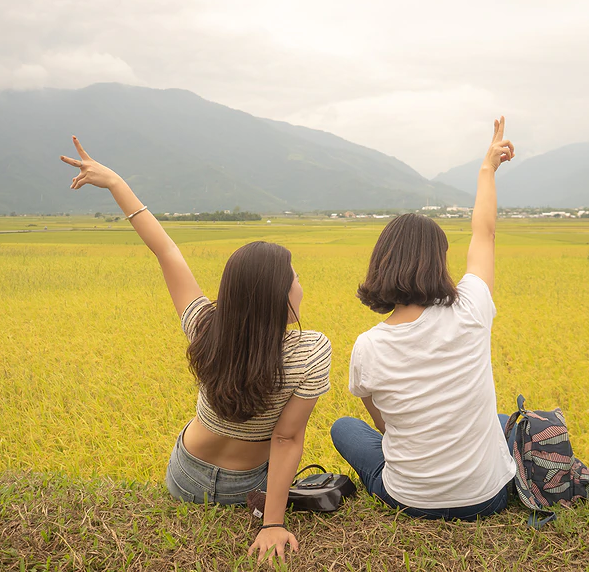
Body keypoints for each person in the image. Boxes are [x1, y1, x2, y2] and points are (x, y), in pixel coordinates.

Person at [59, 137, 331, 564]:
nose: (300, 283)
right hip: (247, 486)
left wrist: (115, 183)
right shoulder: (311, 350)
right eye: (294, 277)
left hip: (185, 475)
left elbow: (165, 249)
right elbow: (286, 436)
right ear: (278, 294)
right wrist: (272, 523)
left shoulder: (205, 327)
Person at [330, 117, 516, 521]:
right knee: (497, 420)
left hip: (409, 498)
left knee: (344, 428)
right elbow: (485, 234)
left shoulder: (368, 345)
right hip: (489, 496)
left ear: (381, 262)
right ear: (439, 262)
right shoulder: (471, 308)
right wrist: (487, 169)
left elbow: (385, 427)